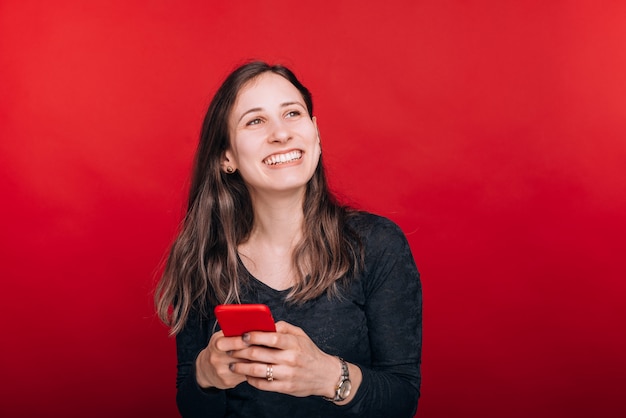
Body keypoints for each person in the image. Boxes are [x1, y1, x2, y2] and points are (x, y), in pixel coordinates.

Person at [155, 61, 422, 417]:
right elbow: (191, 405)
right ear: (226, 157)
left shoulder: (377, 244)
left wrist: (328, 377)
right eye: (255, 120)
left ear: (315, 132)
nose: (281, 134)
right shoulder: (203, 256)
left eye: (292, 114)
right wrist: (205, 375)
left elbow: (402, 400)